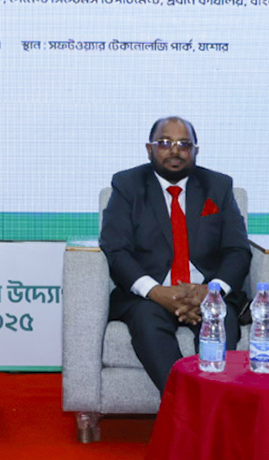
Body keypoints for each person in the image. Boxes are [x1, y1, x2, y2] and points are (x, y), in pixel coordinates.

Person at [100, 116, 251, 391]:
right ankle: (186, 402)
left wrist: (212, 292)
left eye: (184, 144)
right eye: (165, 143)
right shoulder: (127, 185)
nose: (175, 151)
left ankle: (208, 401)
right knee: (147, 321)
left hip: (206, 293)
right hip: (149, 296)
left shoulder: (218, 186)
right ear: (149, 149)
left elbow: (238, 250)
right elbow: (115, 249)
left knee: (223, 319)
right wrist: (156, 292)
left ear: (195, 151)